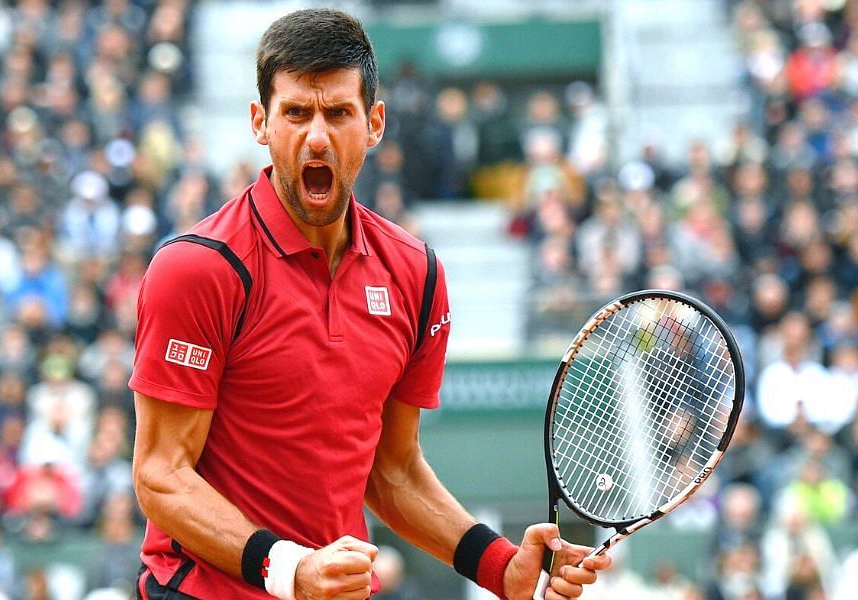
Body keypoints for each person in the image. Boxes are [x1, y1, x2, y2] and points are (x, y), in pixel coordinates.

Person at [128, 9, 610, 600]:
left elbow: (394, 470)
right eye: (296, 113)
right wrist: (290, 570)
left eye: (338, 113)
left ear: (375, 123)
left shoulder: (417, 275)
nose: (316, 136)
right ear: (260, 122)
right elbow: (162, 475)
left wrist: (499, 566)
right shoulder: (196, 269)